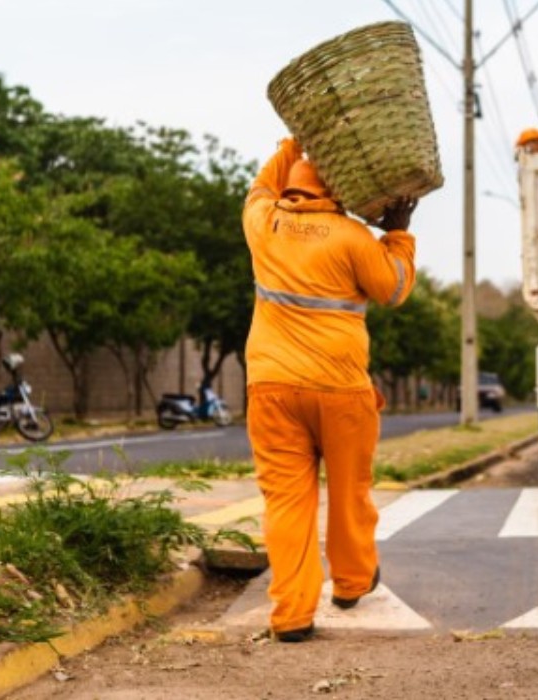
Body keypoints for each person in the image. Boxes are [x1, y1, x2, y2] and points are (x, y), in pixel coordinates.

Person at [241, 137, 417, 643]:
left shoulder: (263, 222)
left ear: (290, 187)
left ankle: (292, 615)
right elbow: (395, 288)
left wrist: (296, 140)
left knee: (285, 502)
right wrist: (399, 234)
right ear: (340, 191)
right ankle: (352, 581)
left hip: (272, 389)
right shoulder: (353, 238)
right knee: (348, 491)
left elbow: (260, 184)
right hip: (341, 390)